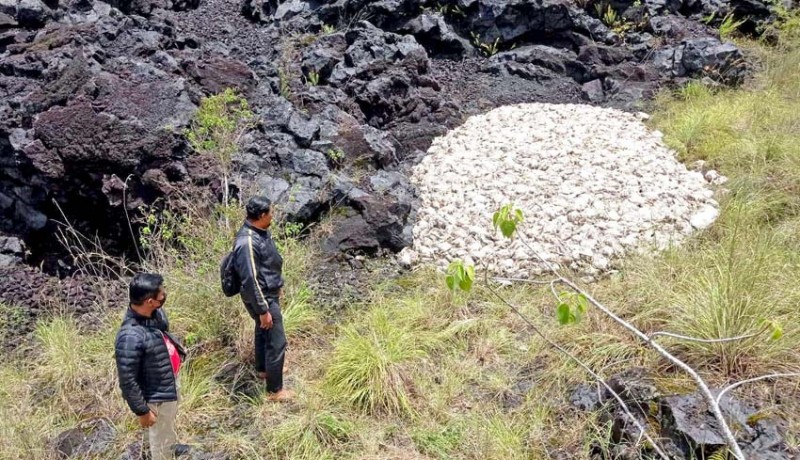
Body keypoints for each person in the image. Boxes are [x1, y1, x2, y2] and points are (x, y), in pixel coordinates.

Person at [115, 273, 189, 460]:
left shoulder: (152, 314)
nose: (164, 295)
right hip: (155, 396)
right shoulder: (130, 337)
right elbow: (127, 380)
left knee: (164, 427)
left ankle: (165, 448)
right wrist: (142, 411)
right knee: (159, 435)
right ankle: (162, 454)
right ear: (149, 301)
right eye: (161, 294)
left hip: (165, 383)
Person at [232, 193, 293, 401]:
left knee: (262, 330)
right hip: (262, 297)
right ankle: (274, 390)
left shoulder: (260, 232)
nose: (272, 216)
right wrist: (263, 309)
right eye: (270, 213)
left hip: (268, 293)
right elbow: (250, 279)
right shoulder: (247, 242)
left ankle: (264, 370)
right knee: (277, 340)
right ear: (261, 215)